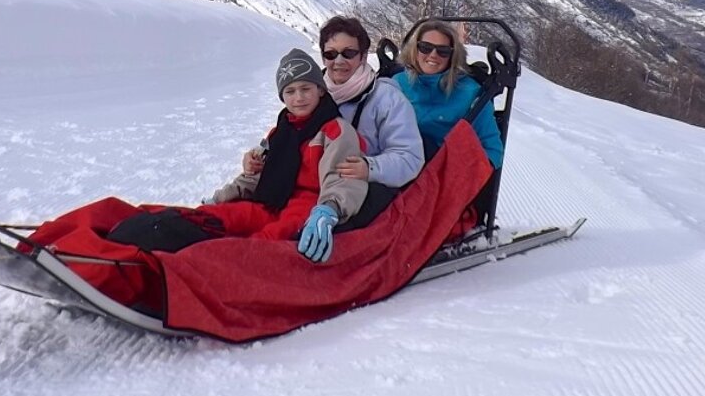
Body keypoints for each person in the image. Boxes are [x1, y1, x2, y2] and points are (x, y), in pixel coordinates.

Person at [200, 48, 368, 262]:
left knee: (266, 243)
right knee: (219, 218)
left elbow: (342, 178)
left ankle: (224, 264)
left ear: (320, 90)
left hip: (310, 203)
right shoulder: (279, 132)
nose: (299, 98)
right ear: (282, 97)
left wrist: (328, 210)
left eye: (306, 89)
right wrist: (220, 198)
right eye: (290, 91)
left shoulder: (335, 131)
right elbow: (256, 176)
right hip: (271, 199)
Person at [242, 16, 424, 190]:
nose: (339, 61)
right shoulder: (310, 90)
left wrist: (370, 167)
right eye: (330, 54)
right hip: (306, 188)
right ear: (323, 58)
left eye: (348, 53)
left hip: (356, 191)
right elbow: (288, 132)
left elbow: (410, 158)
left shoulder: (387, 99)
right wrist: (260, 155)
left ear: (363, 56)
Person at [394, 19, 504, 169]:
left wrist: (458, 172)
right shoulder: (397, 84)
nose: (433, 54)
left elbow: (492, 150)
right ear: (415, 49)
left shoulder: (470, 94)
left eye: (443, 51)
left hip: (441, 171)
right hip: (393, 164)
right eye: (425, 47)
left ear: (452, 56)